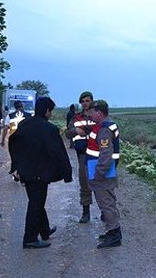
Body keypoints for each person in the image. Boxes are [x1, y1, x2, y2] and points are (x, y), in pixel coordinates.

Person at [9, 97, 73, 249]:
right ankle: (29, 238)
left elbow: (13, 144)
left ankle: (44, 230)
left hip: (26, 171)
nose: (51, 114)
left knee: (36, 201)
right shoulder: (49, 129)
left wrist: (16, 166)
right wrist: (67, 173)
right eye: (51, 111)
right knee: (36, 204)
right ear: (47, 111)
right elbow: (58, 152)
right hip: (40, 172)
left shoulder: (24, 124)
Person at [87, 100, 122, 248]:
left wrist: (99, 173)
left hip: (102, 172)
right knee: (109, 201)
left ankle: (114, 234)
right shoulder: (105, 125)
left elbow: (106, 154)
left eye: (92, 112)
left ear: (99, 113)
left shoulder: (104, 129)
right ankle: (111, 230)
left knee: (106, 203)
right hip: (106, 171)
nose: (90, 115)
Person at [64, 91, 96, 223]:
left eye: (87, 101)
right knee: (84, 183)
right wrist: (75, 131)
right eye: (83, 101)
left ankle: (105, 212)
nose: (85, 103)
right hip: (82, 155)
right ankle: (86, 212)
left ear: (92, 101)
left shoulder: (97, 116)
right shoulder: (76, 118)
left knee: (101, 183)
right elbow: (67, 133)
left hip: (97, 154)